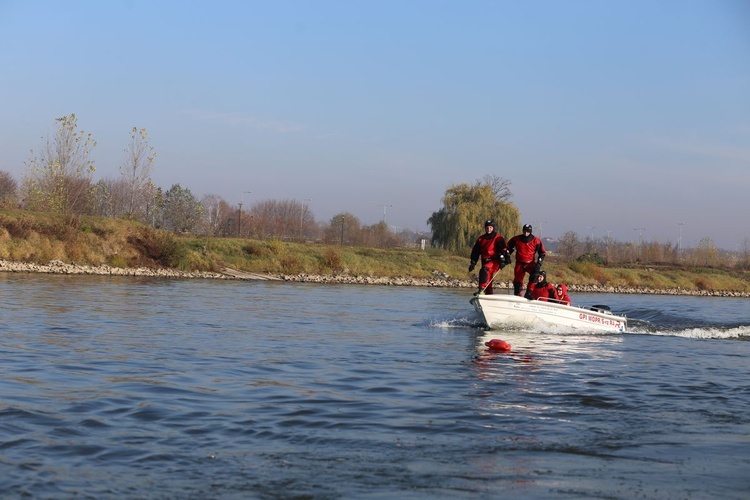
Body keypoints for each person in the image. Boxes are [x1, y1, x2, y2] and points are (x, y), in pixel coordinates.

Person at [468, 219, 509, 295]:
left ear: (493, 228)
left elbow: (503, 250)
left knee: (484, 271)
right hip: (484, 261)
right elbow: (475, 252)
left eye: (490, 227)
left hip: (494, 261)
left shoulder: (498, 238)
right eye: (487, 227)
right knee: (488, 278)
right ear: (485, 228)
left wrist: (503, 261)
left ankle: (481, 290)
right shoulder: (481, 239)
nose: (489, 229)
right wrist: (473, 263)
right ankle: (489, 294)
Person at [506, 224, 547, 296]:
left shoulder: (536, 241)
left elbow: (542, 253)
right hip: (519, 263)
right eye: (524, 231)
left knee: (535, 275)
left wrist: (539, 263)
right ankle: (517, 294)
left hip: (530, 263)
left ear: (530, 232)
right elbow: (509, 247)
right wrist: (507, 257)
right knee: (517, 281)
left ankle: (529, 293)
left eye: (528, 232)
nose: (526, 233)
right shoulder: (516, 239)